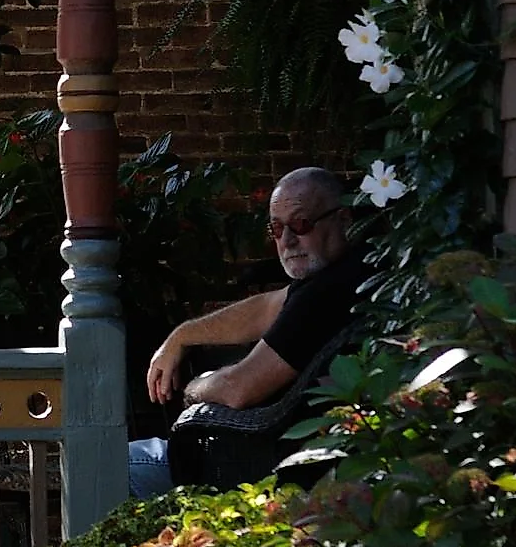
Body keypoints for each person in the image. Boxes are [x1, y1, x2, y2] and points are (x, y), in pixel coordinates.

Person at [129, 166, 367, 497]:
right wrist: (182, 336)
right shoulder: (347, 271)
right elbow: (268, 306)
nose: (288, 241)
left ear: (343, 219)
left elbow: (237, 388)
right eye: (277, 228)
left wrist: (193, 389)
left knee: (104, 467)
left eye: (301, 224)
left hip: (254, 469)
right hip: (263, 458)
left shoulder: (324, 296)